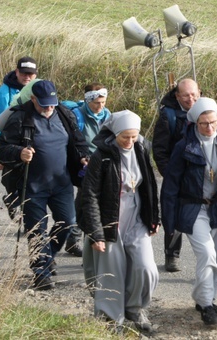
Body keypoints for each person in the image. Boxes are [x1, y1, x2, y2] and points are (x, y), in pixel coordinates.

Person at [160, 97, 217, 325]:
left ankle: (206, 298)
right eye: (204, 124)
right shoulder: (184, 146)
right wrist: (169, 222)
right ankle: (206, 305)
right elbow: (170, 185)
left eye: (213, 122)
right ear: (194, 123)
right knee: (207, 254)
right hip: (193, 208)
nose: (210, 128)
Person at [0, 80, 91, 290]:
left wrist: (84, 156)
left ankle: (46, 257)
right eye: (44, 104)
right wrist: (18, 153)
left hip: (61, 183)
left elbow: (79, 141)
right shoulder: (20, 118)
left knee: (68, 223)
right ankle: (41, 273)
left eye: (52, 104)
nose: (48, 108)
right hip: (31, 185)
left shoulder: (65, 114)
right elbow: (0, 148)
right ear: (33, 99)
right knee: (37, 230)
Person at [77, 110, 159, 334]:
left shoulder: (141, 148)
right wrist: (96, 232)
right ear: (115, 134)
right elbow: (90, 195)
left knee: (146, 268)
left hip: (136, 218)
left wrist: (154, 218)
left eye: (134, 137)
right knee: (111, 274)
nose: (130, 142)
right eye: (125, 137)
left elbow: (149, 185)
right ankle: (111, 320)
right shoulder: (101, 156)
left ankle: (135, 307)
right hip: (109, 221)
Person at [152, 78, 217, 276]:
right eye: (185, 95)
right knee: (174, 212)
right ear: (177, 96)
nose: (190, 99)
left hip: (206, 175)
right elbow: (160, 151)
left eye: (193, 94)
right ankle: (172, 254)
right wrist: (172, 176)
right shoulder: (169, 116)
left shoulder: (207, 111)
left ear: (199, 92)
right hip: (180, 175)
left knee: (215, 215)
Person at [62, 84, 112, 288]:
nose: (100, 106)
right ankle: (79, 242)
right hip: (85, 164)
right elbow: (74, 141)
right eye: (96, 103)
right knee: (87, 203)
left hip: (104, 164)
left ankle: (74, 239)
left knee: (84, 203)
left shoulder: (108, 115)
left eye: (103, 102)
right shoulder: (78, 116)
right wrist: (84, 158)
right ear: (87, 100)